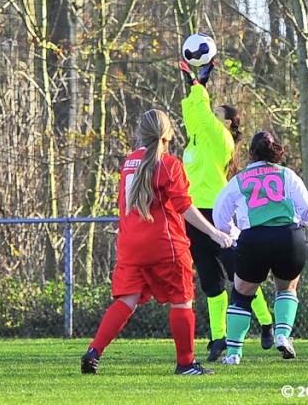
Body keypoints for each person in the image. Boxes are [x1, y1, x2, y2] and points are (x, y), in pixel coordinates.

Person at [80, 109, 232, 375]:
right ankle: (185, 364)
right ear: (168, 134)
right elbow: (184, 207)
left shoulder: (129, 162)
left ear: (141, 132)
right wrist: (214, 233)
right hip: (165, 244)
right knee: (182, 300)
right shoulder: (169, 163)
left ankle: (94, 351)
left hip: (130, 244)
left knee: (126, 299)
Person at [179, 59, 275, 362]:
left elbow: (204, 117)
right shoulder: (198, 139)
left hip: (216, 215)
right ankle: (218, 337)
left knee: (239, 275)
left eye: (218, 113)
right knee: (209, 279)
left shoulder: (220, 138)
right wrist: (191, 85)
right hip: (192, 214)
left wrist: (201, 86)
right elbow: (193, 115)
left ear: (229, 124)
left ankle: (267, 322)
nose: (212, 114)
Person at [212, 131, 308, 364]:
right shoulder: (287, 175)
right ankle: (282, 335)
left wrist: (234, 234)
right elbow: (307, 210)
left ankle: (234, 353)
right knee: (287, 288)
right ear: (274, 150)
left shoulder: (239, 180)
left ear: (250, 152)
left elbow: (220, 214)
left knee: (241, 294)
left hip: (254, 240)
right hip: (288, 237)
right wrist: (303, 224)